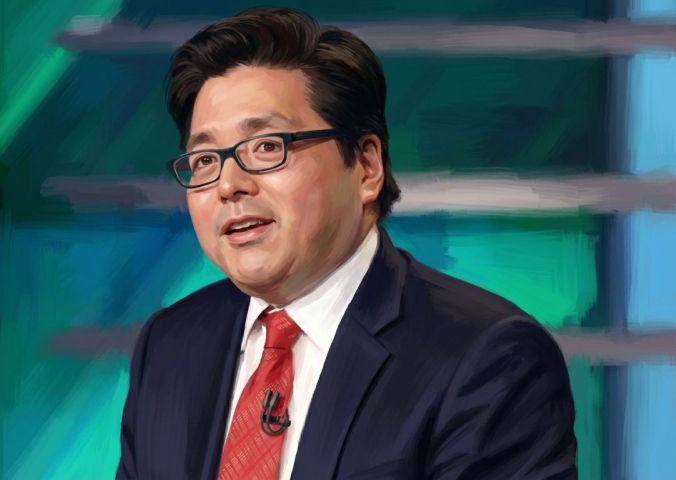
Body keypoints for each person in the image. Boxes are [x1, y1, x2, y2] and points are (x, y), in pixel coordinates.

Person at [116, 7, 577, 480]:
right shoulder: (170, 344)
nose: (228, 184)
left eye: (268, 147)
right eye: (205, 159)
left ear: (366, 167)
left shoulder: (489, 357)